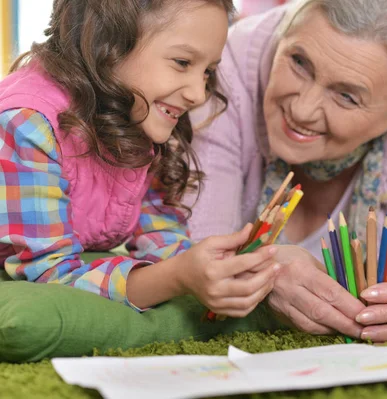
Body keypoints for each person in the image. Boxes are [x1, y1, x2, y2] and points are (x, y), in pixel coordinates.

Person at [189, 0, 387, 342]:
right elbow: (192, 251)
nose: (302, 109)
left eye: (346, 96)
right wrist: (263, 271)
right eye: (299, 63)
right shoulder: (228, 57)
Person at [0, 0, 281, 318]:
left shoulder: (135, 109)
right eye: (182, 62)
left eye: (208, 72)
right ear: (109, 42)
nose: (199, 94)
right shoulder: (27, 123)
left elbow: (159, 234)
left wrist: (213, 268)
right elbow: (52, 281)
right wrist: (177, 278)